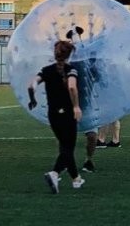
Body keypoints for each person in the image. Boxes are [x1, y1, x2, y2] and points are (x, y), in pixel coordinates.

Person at [27, 39, 85, 193]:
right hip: (67, 114)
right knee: (68, 148)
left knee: (65, 147)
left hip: (52, 114)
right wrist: (76, 106)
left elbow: (31, 85)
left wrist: (33, 99)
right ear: (69, 55)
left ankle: (76, 179)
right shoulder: (71, 70)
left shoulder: (46, 70)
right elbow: (72, 87)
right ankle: (54, 173)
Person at [66, 27, 101, 172]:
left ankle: (88, 160)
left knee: (92, 135)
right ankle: (66, 160)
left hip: (86, 106)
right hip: (71, 105)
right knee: (67, 137)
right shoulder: (69, 64)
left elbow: (99, 77)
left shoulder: (89, 64)